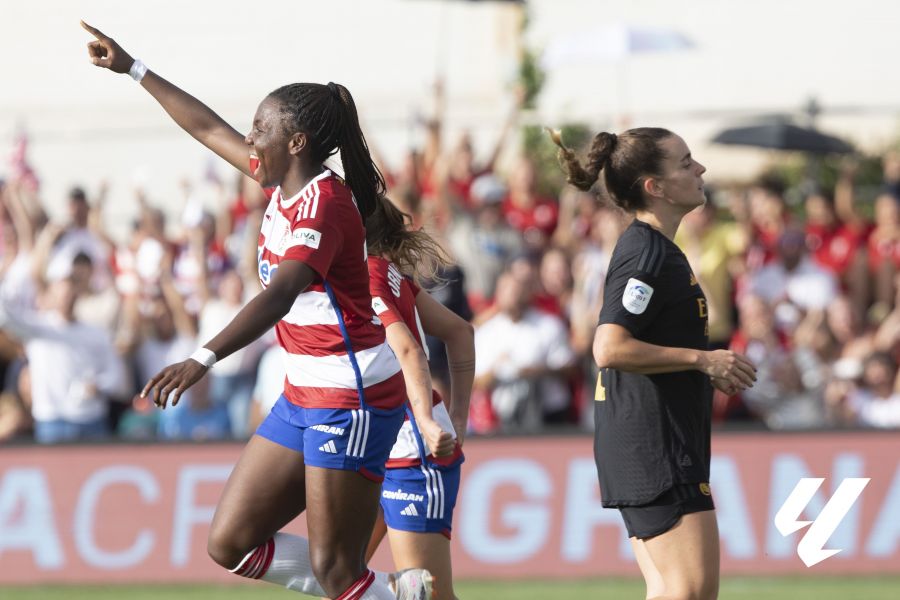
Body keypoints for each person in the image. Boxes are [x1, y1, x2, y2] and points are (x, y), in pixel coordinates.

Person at [81, 21, 451, 600]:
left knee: (336, 573)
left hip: (348, 398)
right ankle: (394, 592)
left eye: (261, 128)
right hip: (304, 390)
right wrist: (133, 68)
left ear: (297, 142)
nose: (249, 138)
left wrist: (202, 357)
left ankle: (387, 591)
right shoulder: (278, 182)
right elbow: (206, 127)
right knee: (230, 543)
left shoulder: (325, 206)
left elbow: (280, 294)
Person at [551, 127, 757, 600]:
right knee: (690, 592)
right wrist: (702, 360)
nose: (700, 168)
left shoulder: (658, 249)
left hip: (655, 444)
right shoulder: (645, 250)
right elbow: (609, 346)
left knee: (670, 590)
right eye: (685, 162)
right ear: (655, 187)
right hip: (655, 448)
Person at [363, 196, 475, 600]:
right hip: (377, 446)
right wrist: (457, 415)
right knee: (342, 578)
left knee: (424, 594)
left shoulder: (368, 277)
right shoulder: (390, 275)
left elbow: (409, 349)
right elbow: (461, 332)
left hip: (411, 447)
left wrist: (430, 420)